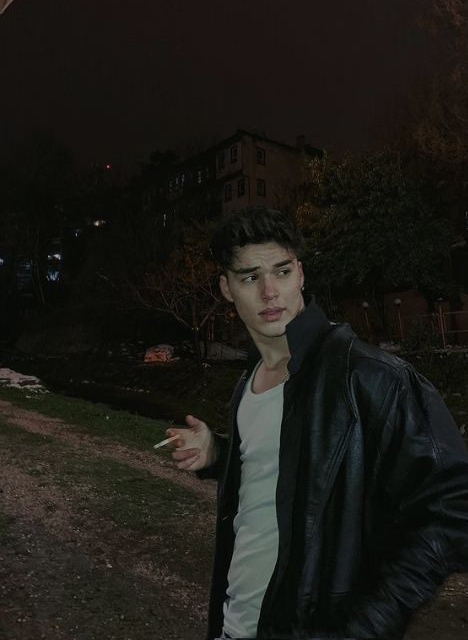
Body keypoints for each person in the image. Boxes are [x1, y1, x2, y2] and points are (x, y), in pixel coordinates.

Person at [166, 206, 468, 640]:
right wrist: (219, 452)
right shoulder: (248, 383)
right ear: (227, 289)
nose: (270, 292)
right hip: (235, 625)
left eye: (282, 271)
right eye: (250, 277)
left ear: (301, 275)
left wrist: (367, 627)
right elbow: (293, 469)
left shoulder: (371, 376)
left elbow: (454, 510)